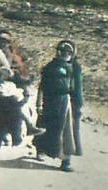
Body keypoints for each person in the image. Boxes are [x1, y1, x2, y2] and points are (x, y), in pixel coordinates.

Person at [35, 40, 84, 172]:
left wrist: (78, 105)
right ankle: (41, 149)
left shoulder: (75, 68)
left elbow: (78, 88)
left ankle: (66, 160)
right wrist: (39, 104)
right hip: (51, 102)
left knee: (67, 131)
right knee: (47, 127)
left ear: (72, 53)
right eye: (62, 51)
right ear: (58, 52)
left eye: (68, 52)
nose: (65, 54)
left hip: (66, 103)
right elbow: (42, 87)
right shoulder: (50, 67)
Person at [0, 29, 45, 139]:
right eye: (0, 40)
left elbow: (22, 72)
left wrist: (23, 80)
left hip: (12, 82)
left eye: (5, 41)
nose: (2, 43)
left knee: (19, 104)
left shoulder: (14, 54)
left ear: (9, 42)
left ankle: (28, 125)